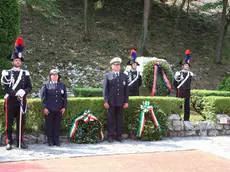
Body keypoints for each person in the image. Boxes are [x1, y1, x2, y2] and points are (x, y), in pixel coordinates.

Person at [1, 52, 32, 150]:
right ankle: (9, 142)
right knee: (9, 123)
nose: (18, 62)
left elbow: (29, 86)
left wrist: (24, 91)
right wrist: (15, 93)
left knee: (21, 122)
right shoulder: (7, 73)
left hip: (21, 101)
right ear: (12, 62)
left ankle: (20, 141)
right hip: (11, 101)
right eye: (16, 60)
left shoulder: (25, 73)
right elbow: (5, 87)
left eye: (19, 61)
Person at [103, 57, 129, 142]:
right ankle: (110, 136)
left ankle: (119, 136)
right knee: (110, 119)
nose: (117, 66)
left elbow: (126, 90)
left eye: (118, 65)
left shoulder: (124, 76)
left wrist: (126, 101)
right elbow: (105, 90)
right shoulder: (107, 76)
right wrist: (106, 101)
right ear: (112, 66)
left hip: (121, 102)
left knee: (119, 119)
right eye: (115, 65)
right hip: (111, 102)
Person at [40, 69, 67, 146]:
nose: (55, 76)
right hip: (49, 109)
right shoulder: (46, 85)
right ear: (50, 76)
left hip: (59, 109)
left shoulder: (62, 85)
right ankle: (50, 140)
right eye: (53, 75)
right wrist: (44, 108)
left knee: (57, 125)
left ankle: (56, 140)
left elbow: (64, 97)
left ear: (58, 76)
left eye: (56, 75)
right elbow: (43, 98)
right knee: (49, 125)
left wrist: (64, 107)